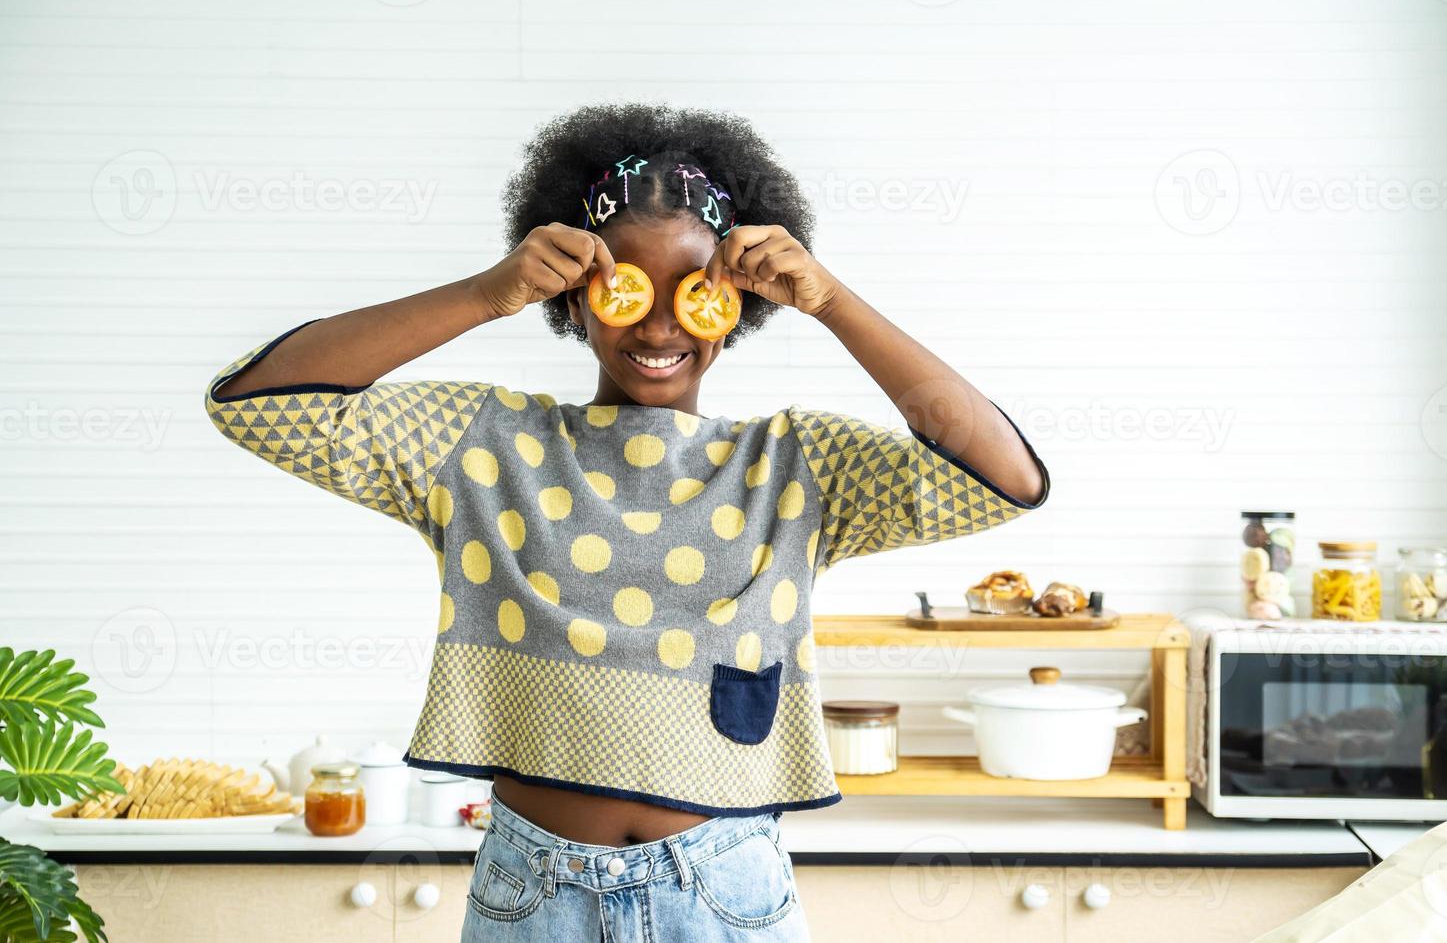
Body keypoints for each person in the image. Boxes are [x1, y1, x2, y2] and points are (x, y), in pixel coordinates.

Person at [205, 103, 1049, 941]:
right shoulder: (485, 447)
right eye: (625, 290)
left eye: (695, 292)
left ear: (738, 309)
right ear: (573, 303)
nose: (657, 325)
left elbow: (1005, 479)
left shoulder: (793, 465)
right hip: (532, 895)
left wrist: (832, 302)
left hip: (725, 892)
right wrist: (485, 293)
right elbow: (256, 404)